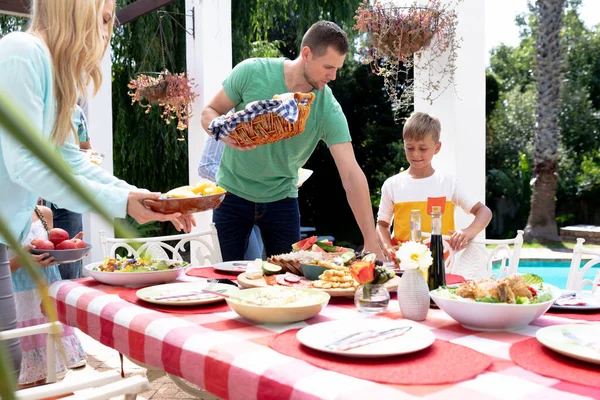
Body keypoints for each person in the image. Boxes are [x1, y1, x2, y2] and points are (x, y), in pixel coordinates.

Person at [0, 0, 194, 379]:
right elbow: (24, 164)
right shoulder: (20, 53)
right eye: (104, 18)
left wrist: (141, 197)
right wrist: (122, 201)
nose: (107, 31)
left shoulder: (56, 75)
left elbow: (71, 162)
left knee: (9, 364)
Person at [201, 21, 381, 261]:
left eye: (337, 68)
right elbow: (209, 112)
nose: (334, 76)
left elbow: (351, 173)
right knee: (226, 281)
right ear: (306, 54)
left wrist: (371, 238)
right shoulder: (251, 72)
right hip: (232, 194)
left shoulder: (327, 107)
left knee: (290, 285)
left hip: (282, 199)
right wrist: (224, 132)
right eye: (328, 67)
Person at [376, 112, 493, 262]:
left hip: (442, 266)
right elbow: (382, 225)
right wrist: (387, 247)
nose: (415, 154)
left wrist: (467, 232)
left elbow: (484, 212)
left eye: (423, 149)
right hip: (404, 264)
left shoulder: (448, 183)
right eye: (410, 148)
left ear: (437, 148)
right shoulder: (392, 185)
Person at [9, 206, 86, 387]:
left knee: (47, 375)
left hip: (44, 296)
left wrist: (67, 248)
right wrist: (22, 259)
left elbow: (50, 249)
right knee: (22, 382)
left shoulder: (44, 213)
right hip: (19, 303)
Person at [198, 136, 264, 260]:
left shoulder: (265, 127)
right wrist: (238, 181)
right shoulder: (227, 124)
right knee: (250, 264)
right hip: (233, 205)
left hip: (264, 201)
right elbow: (205, 166)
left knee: (255, 265)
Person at [47, 104, 90, 280]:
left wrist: (88, 159)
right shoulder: (27, 105)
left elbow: (85, 147)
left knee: (70, 267)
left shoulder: (75, 112)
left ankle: (66, 306)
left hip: (67, 201)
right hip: (33, 202)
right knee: (36, 263)